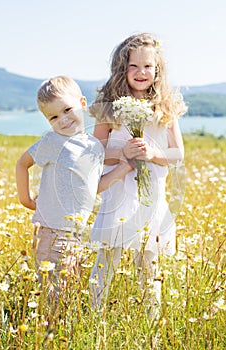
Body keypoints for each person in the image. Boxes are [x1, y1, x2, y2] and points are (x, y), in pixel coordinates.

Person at [89, 33, 187, 311]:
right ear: (122, 68)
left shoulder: (165, 107)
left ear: (157, 70)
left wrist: (154, 154)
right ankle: (95, 315)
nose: (141, 72)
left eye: (148, 66)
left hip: (151, 199)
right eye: (134, 66)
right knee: (106, 260)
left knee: (149, 266)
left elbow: (177, 154)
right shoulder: (110, 107)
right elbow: (96, 152)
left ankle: (151, 324)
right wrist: (122, 154)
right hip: (117, 196)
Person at [16, 76, 133, 304]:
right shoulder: (53, 141)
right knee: (54, 296)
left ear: (82, 103)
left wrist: (123, 168)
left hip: (76, 233)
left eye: (67, 109)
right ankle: (47, 333)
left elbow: (91, 188)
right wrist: (26, 199)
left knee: (69, 292)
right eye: (54, 117)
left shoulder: (93, 147)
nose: (63, 120)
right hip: (51, 231)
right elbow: (22, 163)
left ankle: (60, 334)